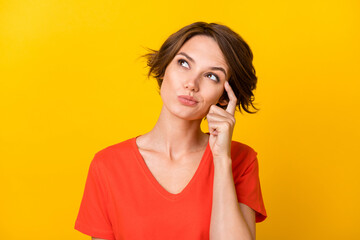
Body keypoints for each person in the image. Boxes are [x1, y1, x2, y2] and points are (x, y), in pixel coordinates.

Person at [74, 21, 267, 240]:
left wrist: (221, 159)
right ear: (165, 68)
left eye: (211, 76)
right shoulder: (107, 165)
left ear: (224, 96)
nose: (191, 84)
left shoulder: (241, 160)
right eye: (184, 63)